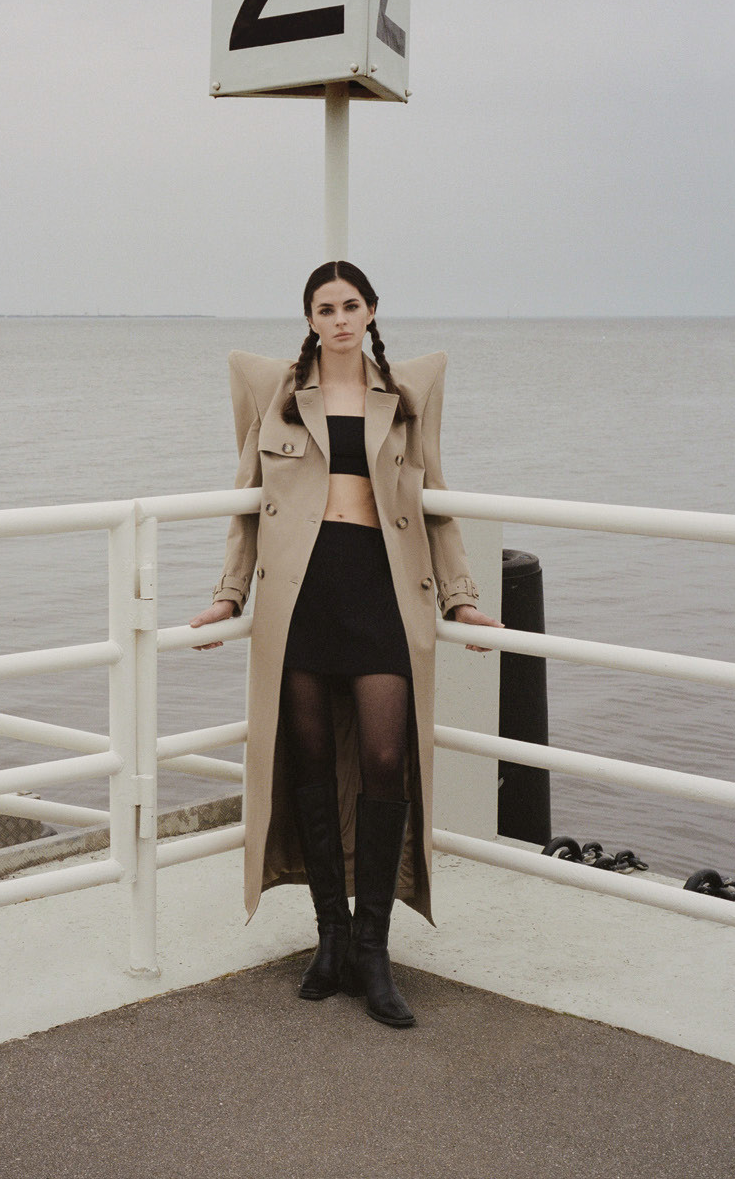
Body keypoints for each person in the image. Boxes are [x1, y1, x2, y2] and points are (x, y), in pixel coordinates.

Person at [190, 260, 503, 1028]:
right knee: (306, 760)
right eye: (324, 307)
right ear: (308, 317)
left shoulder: (403, 396)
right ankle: (329, 935)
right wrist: (229, 593)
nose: (338, 318)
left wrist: (462, 599)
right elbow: (246, 505)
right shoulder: (277, 395)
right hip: (298, 594)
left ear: (370, 311)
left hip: (380, 587)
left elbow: (434, 502)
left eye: (349, 305)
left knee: (385, 759)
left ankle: (373, 946)